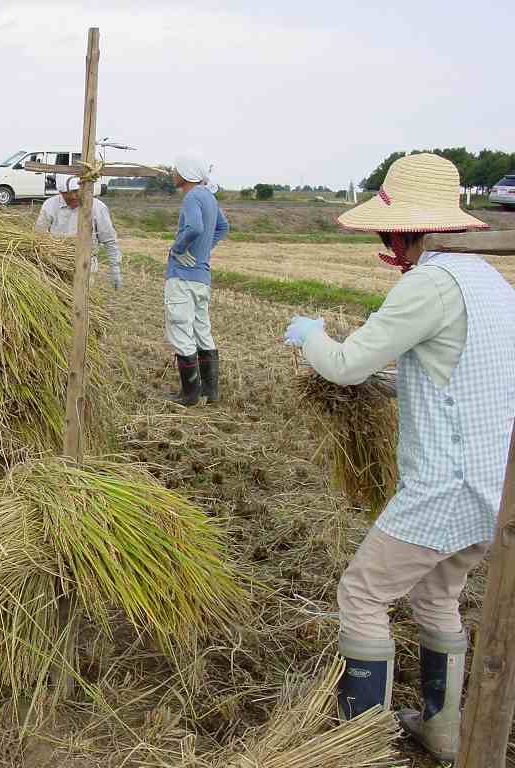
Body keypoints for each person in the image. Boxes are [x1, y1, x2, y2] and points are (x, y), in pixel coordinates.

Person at [283, 153, 515, 764]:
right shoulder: (489, 281)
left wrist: (310, 336)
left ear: (402, 228)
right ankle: (442, 733)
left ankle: (359, 746)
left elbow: (346, 365)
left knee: (362, 594)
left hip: (446, 485)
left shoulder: (428, 285)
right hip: (494, 490)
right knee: (438, 596)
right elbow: (457, 375)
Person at [164, 156, 229, 406]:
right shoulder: (209, 197)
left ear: (186, 175)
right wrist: (204, 252)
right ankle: (209, 392)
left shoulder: (192, 197)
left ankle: (190, 394)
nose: (173, 173)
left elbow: (194, 227)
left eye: (176, 170)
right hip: (202, 278)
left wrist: (178, 249)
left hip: (182, 277)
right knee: (202, 330)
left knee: (180, 329)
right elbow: (223, 228)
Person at [34, 174, 123, 289]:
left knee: (81, 303)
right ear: (60, 192)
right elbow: (38, 236)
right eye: (67, 194)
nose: (73, 197)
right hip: (54, 266)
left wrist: (115, 268)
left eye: (76, 192)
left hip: (86, 266)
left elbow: (109, 240)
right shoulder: (50, 205)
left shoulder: (97, 207)